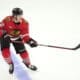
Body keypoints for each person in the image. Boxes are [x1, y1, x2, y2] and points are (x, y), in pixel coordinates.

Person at [0, 7, 38, 74]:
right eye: (19, 16)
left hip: (16, 38)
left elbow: (25, 35)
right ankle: (10, 64)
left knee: (23, 53)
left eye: (21, 15)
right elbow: (0, 28)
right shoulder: (7, 20)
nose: (20, 17)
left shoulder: (25, 23)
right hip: (6, 37)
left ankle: (28, 64)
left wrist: (30, 41)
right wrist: (3, 34)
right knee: (5, 52)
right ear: (14, 16)